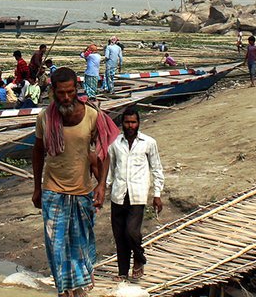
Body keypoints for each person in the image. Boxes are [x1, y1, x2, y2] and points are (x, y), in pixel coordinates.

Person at [32, 67, 118, 297]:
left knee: (81, 243)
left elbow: (105, 152)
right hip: (52, 189)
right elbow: (38, 152)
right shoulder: (45, 117)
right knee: (56, 245)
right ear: (53, 92)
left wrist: (101, 185)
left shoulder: (93, 115)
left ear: (77, 89)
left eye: (70, 92)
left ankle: (78, 288)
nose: (66, 97)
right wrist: (36, 188)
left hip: (82, 190)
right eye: (61, 93)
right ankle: (64, 290)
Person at [106, 108, 165, 281]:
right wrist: (103, 188)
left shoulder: (148, 142)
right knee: (119, 236)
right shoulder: (115, 144)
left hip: (137, 195)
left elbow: (157, 168)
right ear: (122, 123)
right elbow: (111, 169)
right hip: (118, 194)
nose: (130, 125)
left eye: (133, 122)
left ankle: (140, 258)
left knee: (131, 232)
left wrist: (157, 194)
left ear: (138, 123)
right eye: (127, 122)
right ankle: (122, 272)